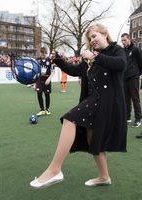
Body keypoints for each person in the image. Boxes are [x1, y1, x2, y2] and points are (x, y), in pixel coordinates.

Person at [30, 24, 127, 188]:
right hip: (93, 100)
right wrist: (59, 60)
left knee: (69, 119)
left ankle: (54, 170)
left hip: (108, 102)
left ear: (104, 34)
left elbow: (121, 64)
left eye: (94, 36)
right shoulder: (91, 56)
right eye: (90, 38)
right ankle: (104, 177)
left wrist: (95, 57)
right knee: (92, 138)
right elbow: (76, 71)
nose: (92, 40)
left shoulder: (116, 50)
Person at [121, 33, 142, 128]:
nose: (123, 42)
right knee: (126, 99)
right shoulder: (122, 51)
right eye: (122, 40)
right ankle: (127, 117)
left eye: (124, 40)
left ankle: (138, 119)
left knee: (135, 99)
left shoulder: (136, 49)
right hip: (124, 78)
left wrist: (138, 74)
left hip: (133, 78)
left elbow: (141, 62)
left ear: (129, 39)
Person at [35, 47, 55, 116]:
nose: (42, 55)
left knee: (47, 94)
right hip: (39, 80)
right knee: (39, 93)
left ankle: (47, 108)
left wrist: (49, 79)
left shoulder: (50, 61)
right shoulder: (37, 60)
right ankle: (42, 109)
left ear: (46, 53)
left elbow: (53, 72)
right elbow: (35, 70)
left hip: (47, 80)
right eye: (41, 53)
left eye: (44, 53)